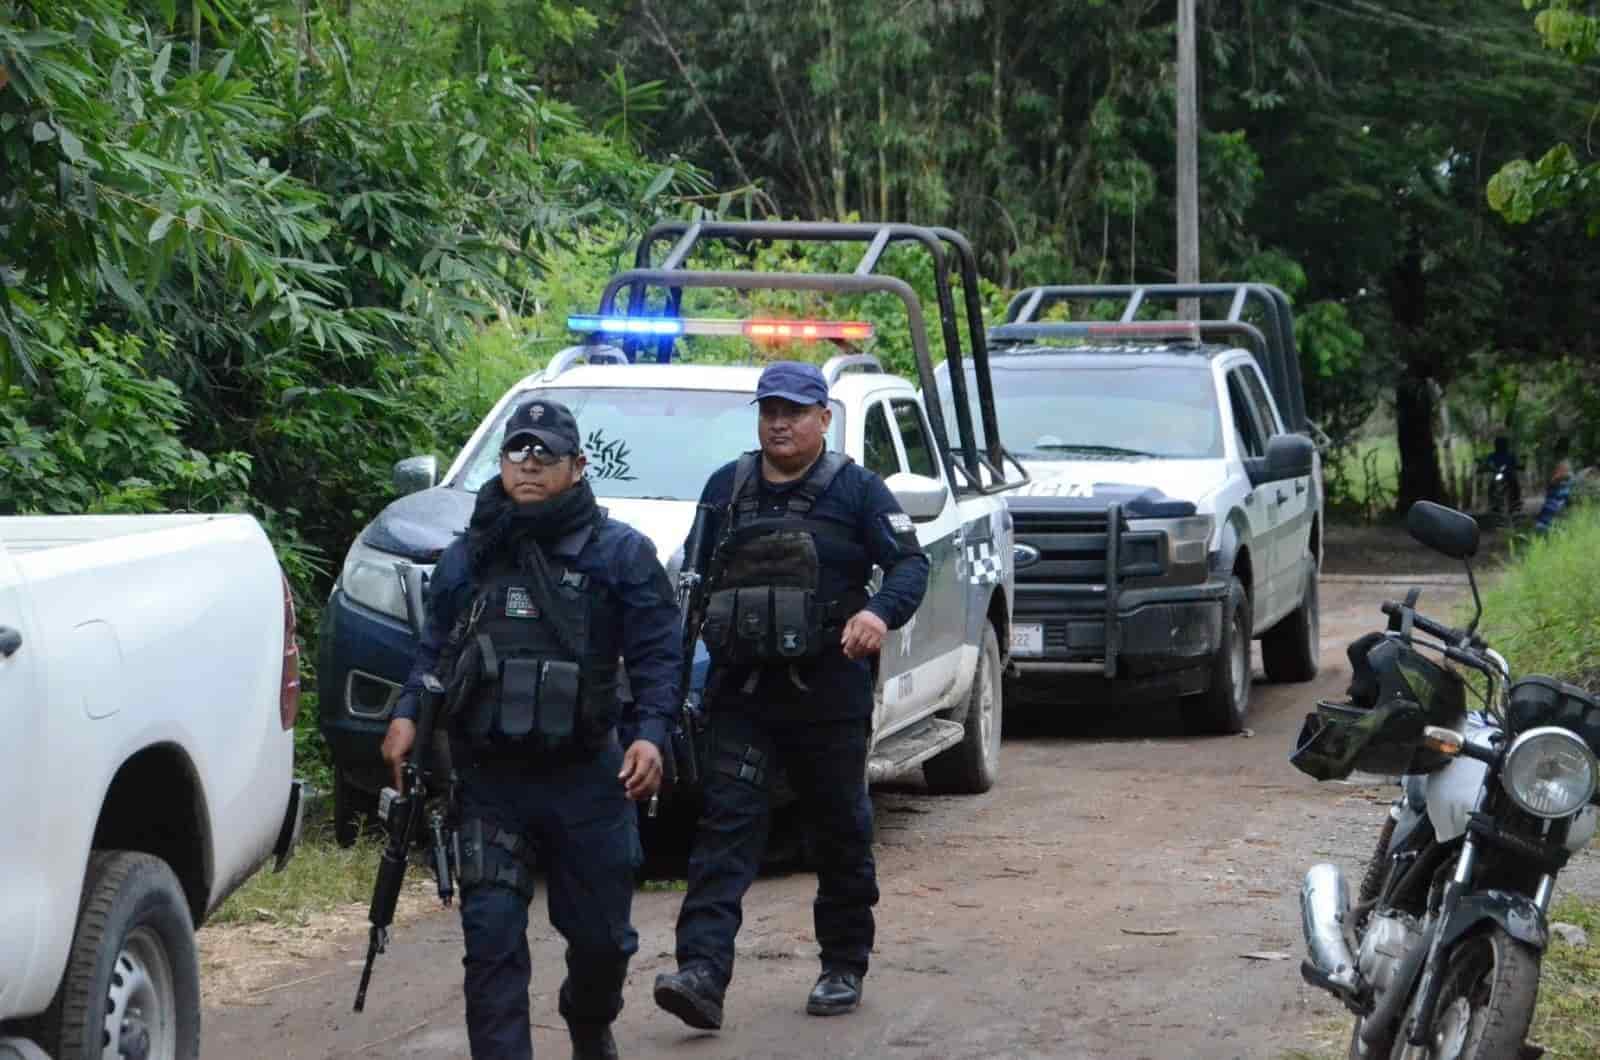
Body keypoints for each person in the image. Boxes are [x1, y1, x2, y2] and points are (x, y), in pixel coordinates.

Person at [382, 398, 680, 1060]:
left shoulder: (620, 554)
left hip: (587, 780)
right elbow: (432, 650)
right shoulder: (471, 555)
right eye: (518, 451)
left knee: (603, 944)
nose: (530, 465)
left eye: (546, 454)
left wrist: (650, 734)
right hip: (491, 781)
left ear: (577, 467)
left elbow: (660, 655)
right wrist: (406, 712)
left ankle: (587, 1015)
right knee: (490, 940)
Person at [652, 361, 931, 1028]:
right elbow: (694, 585)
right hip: (743, 693)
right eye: (770, 409)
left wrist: (878, 615)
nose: (780, 422)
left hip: (827, 691)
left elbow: (910, 563)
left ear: (824, 419)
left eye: (795, 411)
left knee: (838, 828)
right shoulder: (728, 487)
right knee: (725, 827)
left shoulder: (858, 490)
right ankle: (702, 974)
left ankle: (842, 964)